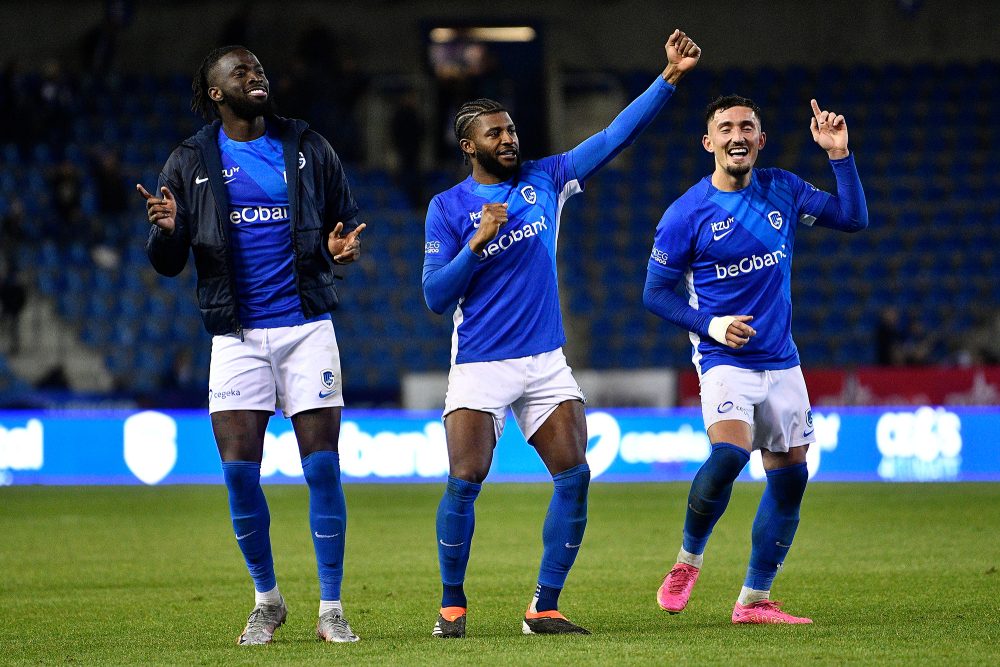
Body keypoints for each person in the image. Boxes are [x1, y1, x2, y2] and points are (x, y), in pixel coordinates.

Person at [422, 29, 701, 638]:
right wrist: (476, 244)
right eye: (495, 133)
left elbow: (612, 137)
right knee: (465, 481)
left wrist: (669, 79)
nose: (509, 138)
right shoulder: (447, 208)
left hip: (545, 362)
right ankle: (451, 608)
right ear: (468, 144)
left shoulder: (547, 178)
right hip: (481, 365)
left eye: (512, 130)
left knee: (574, 474)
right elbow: (436, 298)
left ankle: (543, 606)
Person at [137, 45, 366, 645]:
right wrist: (166, 233)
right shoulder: (189, 162)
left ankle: (332, 608)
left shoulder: (308, 147)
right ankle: (267, 600)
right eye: (241, 72)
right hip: (235, 336)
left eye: (260, 68)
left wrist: (339, 251)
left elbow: (342, 223)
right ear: (216, 92)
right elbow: (167, 260)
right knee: (240, 475)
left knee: (322, 468)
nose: (255, 76)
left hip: (306, 327)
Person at [644, 95, 868, 624]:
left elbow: (854, 219)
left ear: (760, 140)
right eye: (725, 128)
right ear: (709, 142)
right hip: (723, 359)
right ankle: (687, 561)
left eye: (747, 126)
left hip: (782, 362)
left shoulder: (784, 189)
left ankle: (755, 600)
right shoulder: (685, 214)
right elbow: (655, 293)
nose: (736, 135)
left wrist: (839, 155)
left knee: (791, 479)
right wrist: (712, 325)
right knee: (729, 456)